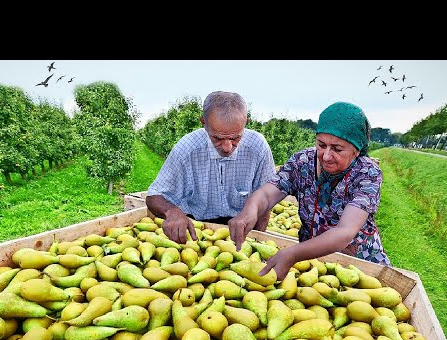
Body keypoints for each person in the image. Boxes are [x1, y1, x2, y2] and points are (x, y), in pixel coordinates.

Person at [228, 101, 391, 281]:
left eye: (337, 149)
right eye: (321, 145)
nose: (326, 156)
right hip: (311, 261)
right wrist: (249, 210)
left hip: (358, 267)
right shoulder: (303, 161)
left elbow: (344, 232)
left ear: (356, 150)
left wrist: (292, 254)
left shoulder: (367, 173)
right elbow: (267, 194)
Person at [145, 91, 276, 245]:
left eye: (235, 138)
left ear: (246, 122)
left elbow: (268, 197)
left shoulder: (258, 147)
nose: (227, 147)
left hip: (241, 230)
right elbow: (154, 196)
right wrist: (171, 211)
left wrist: (258, 240)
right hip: (196, 230)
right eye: (217, 138)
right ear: (204, 122)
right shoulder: (186, 149)